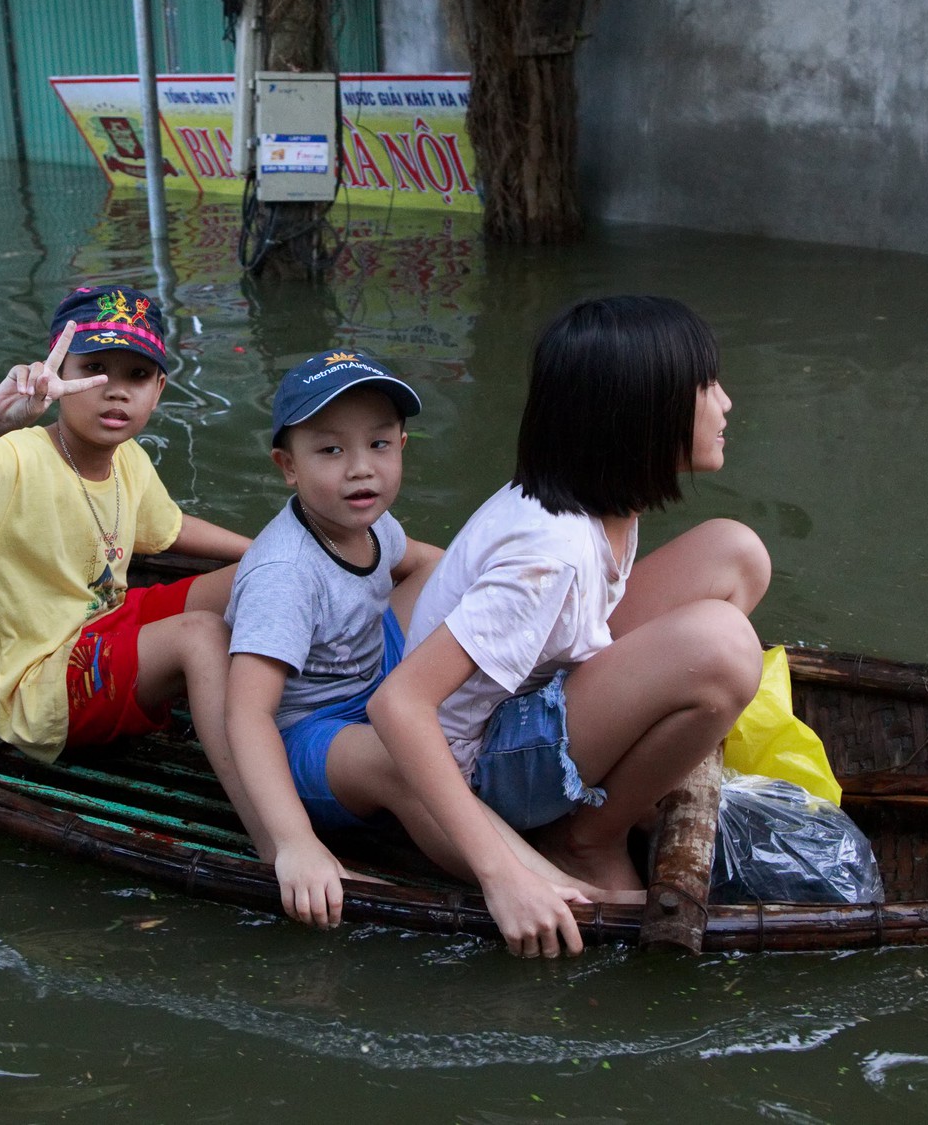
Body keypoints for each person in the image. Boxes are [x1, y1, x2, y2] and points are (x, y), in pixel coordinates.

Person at [368, 295, 771, 957]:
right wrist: (500, 872)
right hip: (480, 769)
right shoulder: (548, 552)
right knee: (725, 648)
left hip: (537, 696)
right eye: (706, 387)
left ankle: (610, 796)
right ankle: (586, 838)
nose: (726, 402)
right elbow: (400, 704)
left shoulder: (605, 499)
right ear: (643, 415)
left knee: (736, 553)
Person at [224, 350, 624, 930]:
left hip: (372, 669)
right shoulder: (283, 574)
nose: (361, 469)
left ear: (402, 447)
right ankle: (546, 879)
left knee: (449, 577)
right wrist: (292, 842)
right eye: (331, 450)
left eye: (379, 445)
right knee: (397, 759)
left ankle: (447, 723)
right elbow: (247, 714)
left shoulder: (371, 524)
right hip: (312, 737)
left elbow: (432, 563)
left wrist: (500, 600)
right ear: (288, 465)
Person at [0, 286, 252, 777]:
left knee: (262, 574)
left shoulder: (129, 459)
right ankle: (273, 828)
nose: (116, 390)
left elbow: (169, 527)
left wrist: (265, 551)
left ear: (158, 390)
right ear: (55, 374)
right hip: (38, 686)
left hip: (102, 627)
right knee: (200, 635)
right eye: (93, 370)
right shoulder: (16, 457)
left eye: (137, 375)